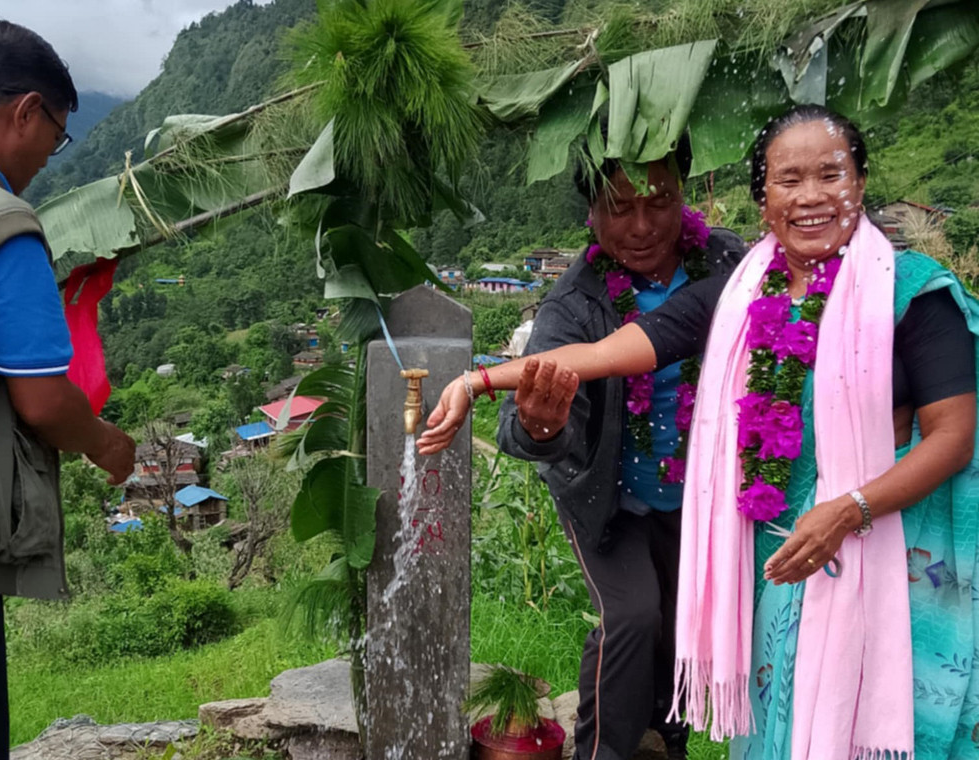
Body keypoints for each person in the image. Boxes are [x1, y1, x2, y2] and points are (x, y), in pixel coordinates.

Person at [419, 105, 979, 760]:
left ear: (859, 181)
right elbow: (609, 357)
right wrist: (492, 389)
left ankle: (667, 742)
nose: (811, 197)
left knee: (767, 656)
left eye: (830, 175)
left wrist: (850, 502)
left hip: (827, 528)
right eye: (789, 180)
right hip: (648, 507)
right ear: (764, 199)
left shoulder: (878, 289)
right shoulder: (709, 291)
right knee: (654, 630)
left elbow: (950, 431)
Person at [493, 141, 744, 760]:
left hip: (701, 498)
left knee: (678, 626)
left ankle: (667, 744)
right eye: (619, 207)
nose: (640, 226)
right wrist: (543, 427)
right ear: (591, 213)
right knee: (632, 616)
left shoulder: (726, 262)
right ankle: (601, 752)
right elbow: (518, 424)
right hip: (609, 500)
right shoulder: (576, 301)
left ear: (686, 195)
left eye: (659, 202)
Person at [0, 20, 136, 757]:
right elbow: (40, 398)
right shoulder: (2, 221)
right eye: (58, 134)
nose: (49, 154)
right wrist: (107, 444)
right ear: (26, 110)